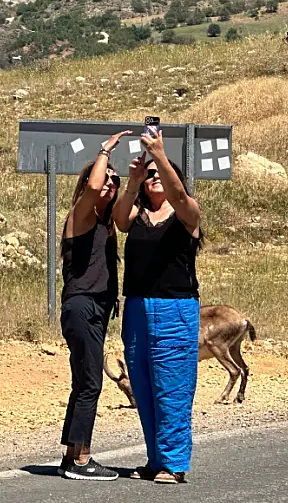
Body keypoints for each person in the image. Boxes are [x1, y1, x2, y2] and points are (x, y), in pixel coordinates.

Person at [111, 129, 202, 485]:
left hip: (175, 309)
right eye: (151, 175)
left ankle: (175, 462)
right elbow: (119, 219)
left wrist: (160, 156)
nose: (155, 179)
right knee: (145, 387)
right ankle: (155, 459)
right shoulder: (137, 217)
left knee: (173, 387)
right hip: (137, 308)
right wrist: (132, 180)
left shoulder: (186, 216)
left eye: (160, 174)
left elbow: (180, 196)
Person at [56, 131, 128, 481]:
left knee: (83, 381)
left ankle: (72, 455)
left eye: (116, 180)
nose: (110, 183)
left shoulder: (104, 223)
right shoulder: (80, 215)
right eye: (106, 178)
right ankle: (82, 459)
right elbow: (93, 185)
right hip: (82, 307)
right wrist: (105, 151)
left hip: (95, 310)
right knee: (90, 384)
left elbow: (126, 207)